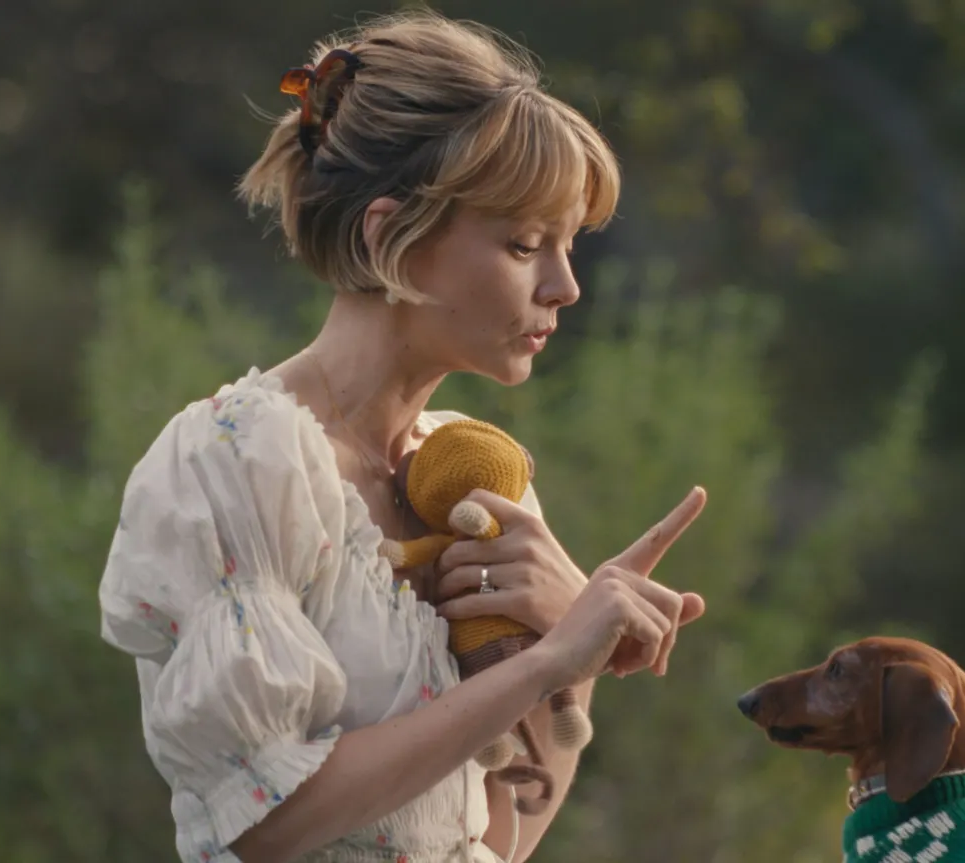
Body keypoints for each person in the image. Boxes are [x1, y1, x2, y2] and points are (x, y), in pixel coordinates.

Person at [96, 10, 708, 863]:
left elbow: (494, 838)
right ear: (392, 238)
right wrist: (544, 666)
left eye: (569, 246)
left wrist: (568, 664)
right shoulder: (236, 460)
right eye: (525, 244)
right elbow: (266, 821)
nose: (565, 286)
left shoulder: (473, 472)